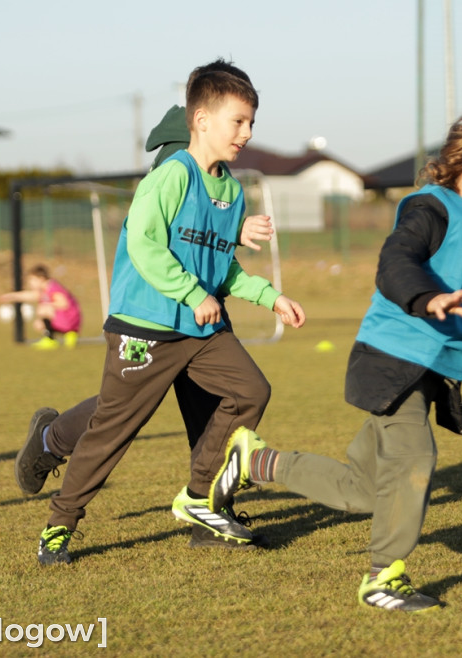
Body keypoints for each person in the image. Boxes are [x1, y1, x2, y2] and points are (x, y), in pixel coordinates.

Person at [207, 113, 462, 613]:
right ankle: (383, 578)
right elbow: (396, 263)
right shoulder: (430, 210)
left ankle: (254, 460)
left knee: (361, 490)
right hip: (389, 363)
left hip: (428, 376)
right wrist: (428, 297)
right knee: (414, 460)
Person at [34, 62, 305, 566]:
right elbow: (144, 244)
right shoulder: (170, 176)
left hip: (201, 328)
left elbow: (221, 269)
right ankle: (59, 524)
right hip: (146, 327)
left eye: (251, 123)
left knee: (251, 391)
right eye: (238, 122)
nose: (246, 134)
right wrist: (190, 292)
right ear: (201, 120)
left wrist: (270, 297)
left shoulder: (230, 189)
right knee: (115, 426)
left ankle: (200, 500)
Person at [0, 264, 82, 349]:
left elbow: (64, 304)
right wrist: (12, 296)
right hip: (66, 321)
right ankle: (70, 335)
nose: (30, 283)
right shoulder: (45, 289)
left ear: (41, 279)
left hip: (69, 319)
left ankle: (50, 339)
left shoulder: (53, 288)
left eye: (32, 280)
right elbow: (31, 295)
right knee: (39, 322)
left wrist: (47, 305)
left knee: (43, 309)